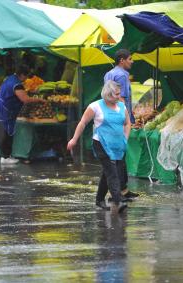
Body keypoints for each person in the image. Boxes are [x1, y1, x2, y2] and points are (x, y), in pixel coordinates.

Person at [67, 80, 131, 213]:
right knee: (113, 173)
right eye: (116, 94)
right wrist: (74, 139)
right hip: (101, 144)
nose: (119, 97)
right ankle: (117, 201)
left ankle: (99, 199)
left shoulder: (122, 107)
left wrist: (125, 138)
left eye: (119, 94)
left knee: (108, 172)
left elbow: (127, 123)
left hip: (118, 145)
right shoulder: (95, 106)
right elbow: (83, 123)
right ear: (108, 94)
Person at [0, 65, 45, 165]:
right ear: (22, 75)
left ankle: (5, 156)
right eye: (26, 76)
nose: (26, 79)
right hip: (3, 111)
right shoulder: (17, 84)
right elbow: (25, 99)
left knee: (2, 132)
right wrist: (39, 100)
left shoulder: (10, 78)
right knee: (6, 133)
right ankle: (5, 157)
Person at [104, 49, 139, 200]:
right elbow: (122, 99)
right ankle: (117, 192)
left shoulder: (108, 74)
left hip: (108, 117)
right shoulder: (122, 75)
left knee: (116, 156)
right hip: (118, 119)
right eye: (130, 59)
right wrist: (127, 120)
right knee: (118, 157)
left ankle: (122, 190)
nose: (132, 61)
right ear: (122, 60)